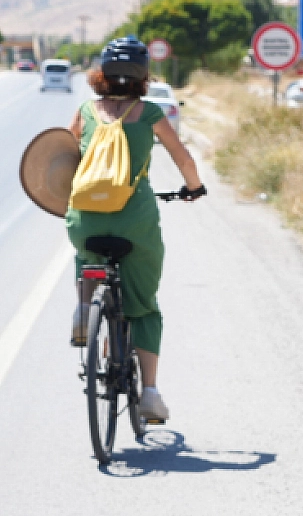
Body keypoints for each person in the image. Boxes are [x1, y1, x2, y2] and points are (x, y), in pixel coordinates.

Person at [66, 37, 205, 423]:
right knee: (143, 306)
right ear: (144, 76)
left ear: (102, 74)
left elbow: (60, 156)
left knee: (86, 255)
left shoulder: (86, 111)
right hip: (135, 222)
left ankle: (83, 306)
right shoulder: (149, 114)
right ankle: (149, 394)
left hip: (86, 218)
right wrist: (194, 187)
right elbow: (182, 156)